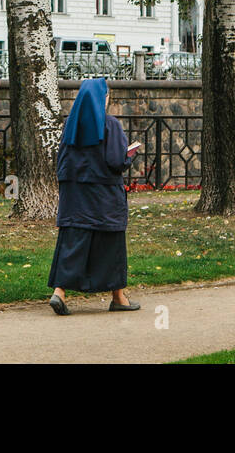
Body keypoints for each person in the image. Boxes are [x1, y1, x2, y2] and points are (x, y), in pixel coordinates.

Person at [48, 77, 140, 315]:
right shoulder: (110, 125)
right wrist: (130, 155)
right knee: (111, 243)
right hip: (104, 196)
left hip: (75, 196)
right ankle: (118, 297)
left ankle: (59, 292)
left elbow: (63, 161)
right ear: (103, 98)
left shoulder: (71, 124)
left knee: (73, 241)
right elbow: (116, 161)